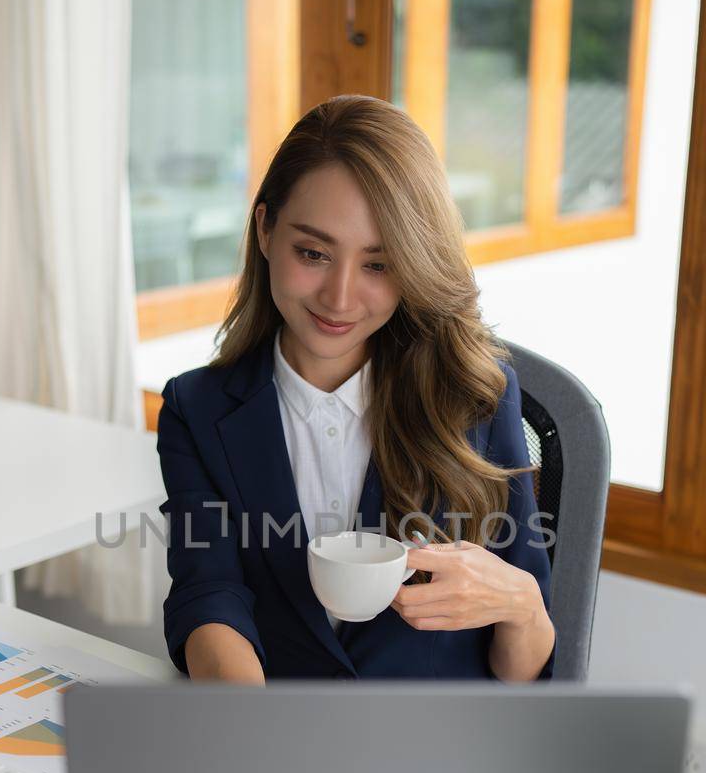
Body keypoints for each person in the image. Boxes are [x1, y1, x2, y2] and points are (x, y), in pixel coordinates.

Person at [155, 95, 556, 684]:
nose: (339, 299)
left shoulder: (476, 398)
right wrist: (253, 733)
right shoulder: (198, 410)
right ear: (265, 230)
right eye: (313, 253)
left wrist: (519, 603)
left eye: (378, 264)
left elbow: (525, 675)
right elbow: (209, 597)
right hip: (281, 740)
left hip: (437, 753)